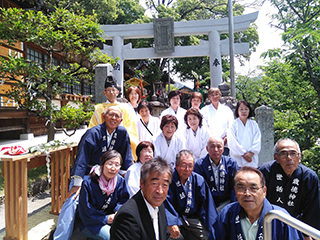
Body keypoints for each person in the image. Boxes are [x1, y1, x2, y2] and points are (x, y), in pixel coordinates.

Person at [53, 106, 133, 240]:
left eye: (117, 116)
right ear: (103, 117)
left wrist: (127, 175)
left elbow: (127, 155)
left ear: (121, 120)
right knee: (72, 200)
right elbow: (82, 158)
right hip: (87, 174)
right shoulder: (93, 133)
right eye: (110, 115)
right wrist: (77, 183)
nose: (113, 118)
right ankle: (60, 237)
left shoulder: (122, 133)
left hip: (110, 174)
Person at [210, 166, 304, 240]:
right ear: (235, 191)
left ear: (264, 191)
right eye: (241, 188)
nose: (247, 193)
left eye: (253, 188)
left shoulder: (281, 217)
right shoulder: (227, 214)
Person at [259, 138, 320, 239]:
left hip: (297, 225)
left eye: (293, 153)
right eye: (283, 154)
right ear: (276, 157)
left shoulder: (309, 177)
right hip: (268, 223)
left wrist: (306, 234)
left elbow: (312, 209)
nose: (289, 158)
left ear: (299, 157)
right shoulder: (265, 171)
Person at [110, 157, 172, 240]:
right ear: (142, 183)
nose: (160, 191)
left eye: (165, 185)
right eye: (154, 183)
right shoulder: (127, 216)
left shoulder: (159, 206)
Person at [165, 150, 217, 240]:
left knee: (209, 237)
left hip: (192, 218)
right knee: (174, 236)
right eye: (183, 165)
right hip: (173, 219)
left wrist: (214, 228)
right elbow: (165, 204)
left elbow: (207, 206)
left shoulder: (199, 180)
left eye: (190, 166)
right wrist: (172, 221)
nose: (187, 169)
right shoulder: (168, 179)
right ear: (176, 165)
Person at [77, 150, 129, 240]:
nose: (113, 168)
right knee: (113, 237)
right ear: (102, 164)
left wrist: (117, 212)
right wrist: (105, 219)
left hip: (113, 219)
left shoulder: (120, 181)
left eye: (117, 165)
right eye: (110, 164)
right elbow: (86, 209)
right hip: (91, 223)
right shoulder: (88, 183)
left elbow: (123, 200)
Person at [88, 75, 139, 160]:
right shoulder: (99, 109)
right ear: (104, 93)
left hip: (120, 144)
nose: (111, 92)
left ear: (117, 92)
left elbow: (131, 128)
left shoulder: (125, 108)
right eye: (108, 90)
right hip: (102, 145)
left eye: (113, 90)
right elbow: (92, 129)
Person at [194, 136, 238, 211]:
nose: (216, 150)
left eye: (219, 146)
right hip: (208, 204)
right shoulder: (199, 165)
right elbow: (199, 190)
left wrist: (233, 207)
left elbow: (235, 186)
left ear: (223, 148)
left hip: (227, 202)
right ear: (207, 149)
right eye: (212, 146)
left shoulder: (231, 163)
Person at [200, 87, 234, 155]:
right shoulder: (204, 110)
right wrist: (214, 140)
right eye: (212, 95)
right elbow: (204, 127)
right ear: (209, 97)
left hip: (224, 143)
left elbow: (231, 125)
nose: (214, 96)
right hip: (210, 143)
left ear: (220, 96)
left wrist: (226, 137)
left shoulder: (226, 110)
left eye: (216, 94)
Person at [228, 100, 261, 168]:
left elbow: (257, 140)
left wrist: (251, 152)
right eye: (241, 109)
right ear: (237, 111)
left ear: (249, 111)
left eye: (246, 109)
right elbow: (232, 142)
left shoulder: (254, 124)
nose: (244, 111)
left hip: (251, 159)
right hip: (237, 159)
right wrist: (243, 154)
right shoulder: (233, 124)